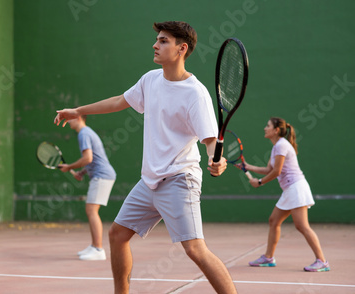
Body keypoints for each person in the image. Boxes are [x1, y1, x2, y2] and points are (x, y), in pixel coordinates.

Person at [54, 21, 237, 294]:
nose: (155, 44)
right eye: (157, 39)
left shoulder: (195, 94)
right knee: (117, 235)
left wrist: (216, 160)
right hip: (149, 181)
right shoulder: (150, 80)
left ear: (181, 49)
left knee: (195, 249)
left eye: (163, 41)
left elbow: (210, 141)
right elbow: (119, 101)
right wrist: (77, 111)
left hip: (179, 179)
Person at [239, 117, 330, 272]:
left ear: (276, 130)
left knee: (302, 226)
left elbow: (277, 171)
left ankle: (322, 261)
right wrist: (249, 167)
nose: (264, 128)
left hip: (296, 188)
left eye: (267, 126)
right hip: (290, 189)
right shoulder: (276, 147)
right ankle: (268, 258)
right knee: (274, 221)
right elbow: (269, 169)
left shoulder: (281, 145)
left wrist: (259, 182)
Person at [58, 115, 116, 261]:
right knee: (91, 210)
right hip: (102, 174)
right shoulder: (87, 132)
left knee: (91, 210)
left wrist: (69, 167)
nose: (67, 121)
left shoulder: (84, 133)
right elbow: (95, 158)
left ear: (78, 118)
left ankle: (98, 249)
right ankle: (94, 246)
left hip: (102, 176)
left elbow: (88, 158)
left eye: (69, 118)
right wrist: (82, 172)